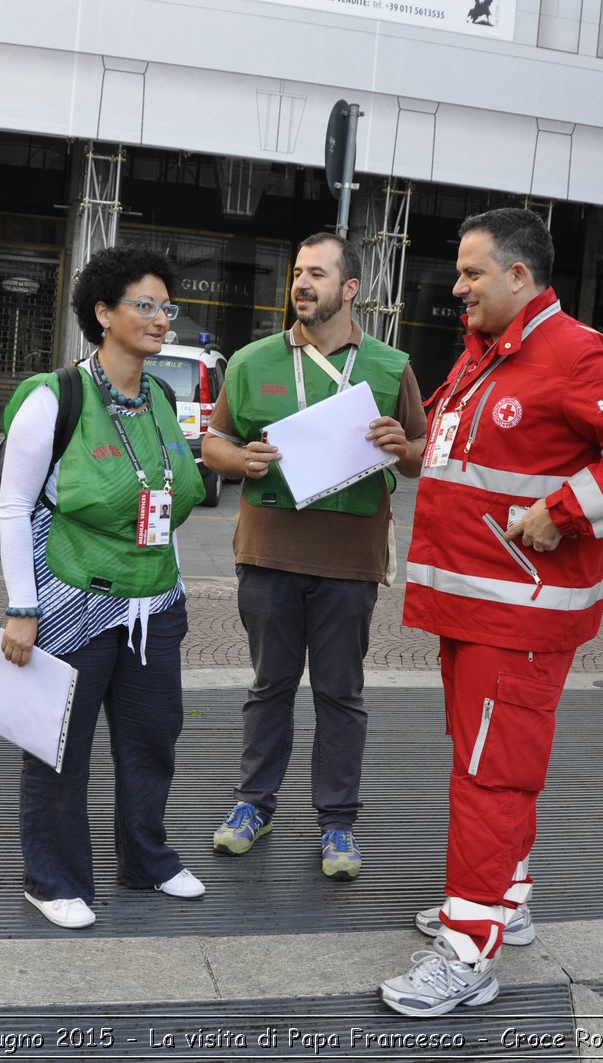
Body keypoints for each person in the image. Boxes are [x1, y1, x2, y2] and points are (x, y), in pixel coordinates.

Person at [382, 208, 603, 1016]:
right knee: (490, 765)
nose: (458, 286)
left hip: (517, 617)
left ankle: (466, 951)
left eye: (473, 272)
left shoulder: (577, 355)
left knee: (490, 777)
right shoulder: (488, 354)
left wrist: (565, 509)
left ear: (520, 276)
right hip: (477, 608)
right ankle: (503, 899)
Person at [202, 233, 427, 880]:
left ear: (350, 288)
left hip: (350, 561)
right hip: (268, 554)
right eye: (297, 272)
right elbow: (214, 442)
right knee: (269, 687)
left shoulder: (390, 366)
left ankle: (338, 823)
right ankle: (254, 804)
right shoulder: (250, 362)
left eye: (317, 274)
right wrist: (240, 458)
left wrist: (401, 447)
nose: (302, 283)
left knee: (340, 693)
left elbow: (419, 454)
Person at [0, 245, 208, 930]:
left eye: (165, 306)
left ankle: (146, 857)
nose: (158, 318)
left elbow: (163, 495)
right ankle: (51, 877)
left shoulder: (161, 397)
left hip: (153, 603)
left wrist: (172, 590)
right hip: (70, 601)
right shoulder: (55, 398)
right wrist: (21, 609)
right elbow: (13, 506)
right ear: (103, 312)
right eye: (143, 304)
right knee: (59, 745)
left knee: (152, 740)